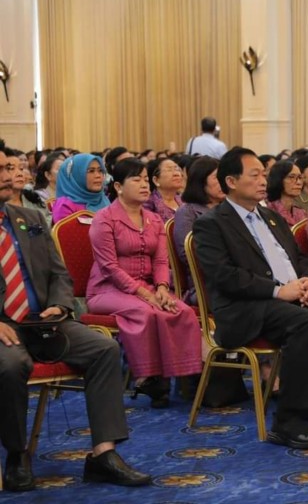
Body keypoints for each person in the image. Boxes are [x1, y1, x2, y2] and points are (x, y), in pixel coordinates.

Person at [193, 147, 308, 448]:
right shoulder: (212, 224)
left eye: (263, 174)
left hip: (290, 297)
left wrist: (306, 282)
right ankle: (288, 419)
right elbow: (224, 276)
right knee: (304, 322)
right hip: (245, 308)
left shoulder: (270, 217)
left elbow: (299, 258)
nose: (263, 181)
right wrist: (278, 290)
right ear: (231, 181)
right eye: (254, 175)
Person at [0, 151, 150, 491]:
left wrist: (60, 305)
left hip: (45, 321)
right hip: (4, 327)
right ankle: (16, 454)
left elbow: (59, 274)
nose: (10, 175)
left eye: (10, 167)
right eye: (2, 169)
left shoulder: (30, 217)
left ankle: (103, 454)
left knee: (104, 349)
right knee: (11, 365)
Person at [87, 158, 202, 408]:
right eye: (136, 179)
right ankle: (149, 377)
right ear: (118, 186)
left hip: (148, 287)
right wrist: (145, 294)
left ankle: (185, 377)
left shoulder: (153, 219)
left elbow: (161, 260)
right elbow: (109, 267)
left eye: (146, 179)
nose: (144, 185)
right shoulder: (104, 219)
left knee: (180, 310)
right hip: (107, 289)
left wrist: (161, 288)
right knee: (146, 311)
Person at [173, 157, 226, 304]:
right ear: (201, 181)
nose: (223, 182)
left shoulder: (228, 208)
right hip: (206, 284)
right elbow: (188, 254)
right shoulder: (187, 212)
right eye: (216, 177)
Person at [51, 154, 110, 223]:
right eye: (91, 171)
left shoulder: (103, 199)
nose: (98, 175)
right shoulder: (65, 206)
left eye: (100, 170)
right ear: (76, 176)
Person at [2, 151, 52, 226]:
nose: (19, 174)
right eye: (11, 169)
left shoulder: (33, 199)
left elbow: (47, 227)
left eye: (21, 169)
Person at [265, 160, 308, 227]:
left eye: (300, 177)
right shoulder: (269, 212)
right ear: (278, 179)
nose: (298, 182)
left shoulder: (301, 213)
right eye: (291, 177)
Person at [144, 159, 184, 224]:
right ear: (156, 180)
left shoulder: (183, 200)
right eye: (169, 170)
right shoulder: (148, 203)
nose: (176, 174)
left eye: (177, 169)